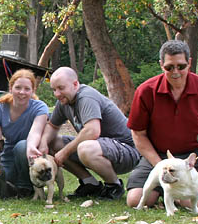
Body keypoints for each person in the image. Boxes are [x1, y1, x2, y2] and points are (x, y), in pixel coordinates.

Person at [125, 40, 198, 209]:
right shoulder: (145, 91)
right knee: (135, 200)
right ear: (161, 65)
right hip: (157, 154)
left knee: (188, 203)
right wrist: (162, 167)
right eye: (169, 67)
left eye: (181, 66)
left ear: (189, 63)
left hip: (193, 155)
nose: (175, 72)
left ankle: (172, 194)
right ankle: (162, 192)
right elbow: (138, 134)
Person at [43, 67, 140, 200]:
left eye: (61, 88)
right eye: (54, 89)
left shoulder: (86, 97)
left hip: (127, 150)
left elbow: (92, 131)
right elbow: (52, 126)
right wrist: (43, 144)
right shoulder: (63, 102)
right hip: (102, 147)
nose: (57, 94)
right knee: (53, 142)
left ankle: (114, 186)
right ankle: (90, 184)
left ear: (75, 84)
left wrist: (65, 152)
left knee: (86, 148)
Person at [0, 69, 49, 198]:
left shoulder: (40, 107)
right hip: (8, 155)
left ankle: (25, 187)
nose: (22, 92)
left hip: (30, 153)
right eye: (18, 88)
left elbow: (35, 132)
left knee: (22, 146)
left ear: (33, 90)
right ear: (10, 88)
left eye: (27, 89)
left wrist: (31, 147)